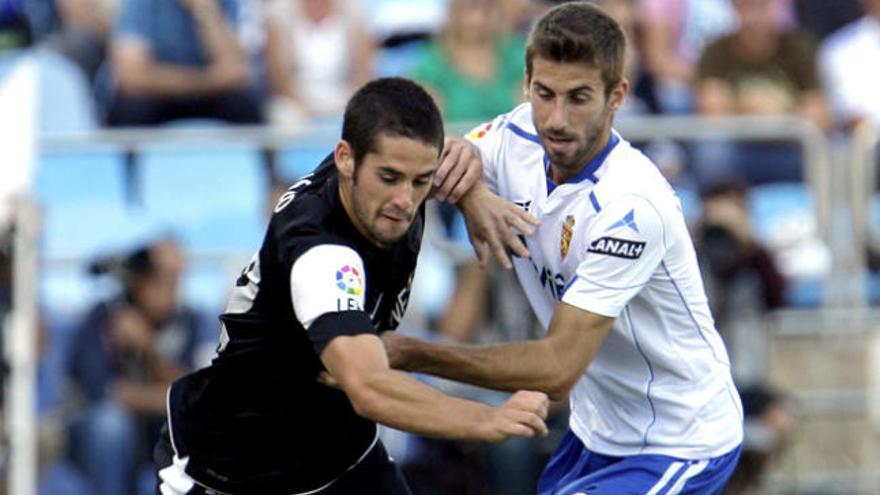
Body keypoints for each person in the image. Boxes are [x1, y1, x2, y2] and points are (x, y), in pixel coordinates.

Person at [379, 4, 744, 493]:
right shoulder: (516, 134)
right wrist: (471, 191)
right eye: (544, 94)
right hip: (597, 431)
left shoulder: (632, 207)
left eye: (579, 99)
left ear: (617, 96)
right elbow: (440, 156)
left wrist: (405, 352)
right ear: (526, 82)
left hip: (677, 439)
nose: (556, 119)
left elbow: (556, 369)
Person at [155, 77, 550, 495]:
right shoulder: (322, 255)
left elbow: (448, 154)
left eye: (421, 182)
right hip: (234, 469)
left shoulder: (380, 169)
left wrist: (472, 195)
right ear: (345, 159)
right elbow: (368, 386)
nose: (405, 199)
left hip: (340, 455)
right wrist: (486, 418)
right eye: (390, 178)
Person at [67, 238, 206, 495]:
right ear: (140, 282)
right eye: (165, 281)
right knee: (110, 425)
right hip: (98, 437)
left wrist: (148, 351)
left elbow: (197, 394)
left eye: (178, 280)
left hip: (156, 431)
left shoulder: (188, 321)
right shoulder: (103, 317)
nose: (174, 291)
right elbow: (104, 392)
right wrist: (168, 397)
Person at [104, 0, 263, 126]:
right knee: (131, 110)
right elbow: (132, 76)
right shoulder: (139, 3)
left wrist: (205, 11)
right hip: (159, 95)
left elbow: (237, 71)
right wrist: (206, 81)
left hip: (212, 96)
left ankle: (263, 167)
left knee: (243, 105)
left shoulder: (228, 3)